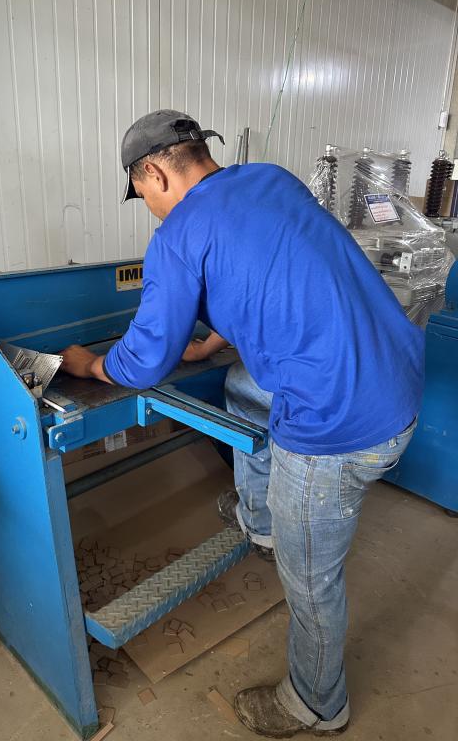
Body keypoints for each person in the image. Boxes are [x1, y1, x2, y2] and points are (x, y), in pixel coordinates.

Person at [60, 109, 424, 737]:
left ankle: (316, 704)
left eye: (142, 194)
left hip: (340, 425)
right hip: (394, 376)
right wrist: (212, 342)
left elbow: (144, 362)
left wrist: (89, 365)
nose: (150, 208)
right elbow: (276, 272)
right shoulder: (271, 180)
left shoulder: (177, 236)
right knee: (242, 384)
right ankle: (262, 522)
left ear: (153, 175)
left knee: (311, 584)